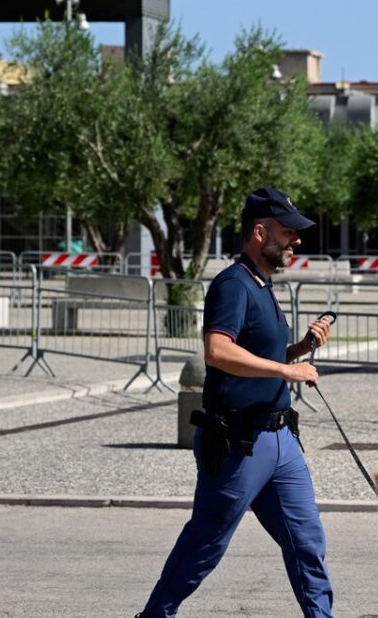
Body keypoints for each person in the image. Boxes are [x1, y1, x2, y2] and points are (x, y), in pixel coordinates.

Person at [137, 186, 335, 617]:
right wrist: (288, 372)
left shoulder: (264, 286)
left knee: (308, 543)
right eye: (287, 232)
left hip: (281, 442)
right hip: (238, 444)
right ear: (260, 232)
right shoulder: (232, 285)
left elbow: (258, 358)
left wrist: (299, 348)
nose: (295, 241)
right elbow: (219, 353)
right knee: (206, 543)